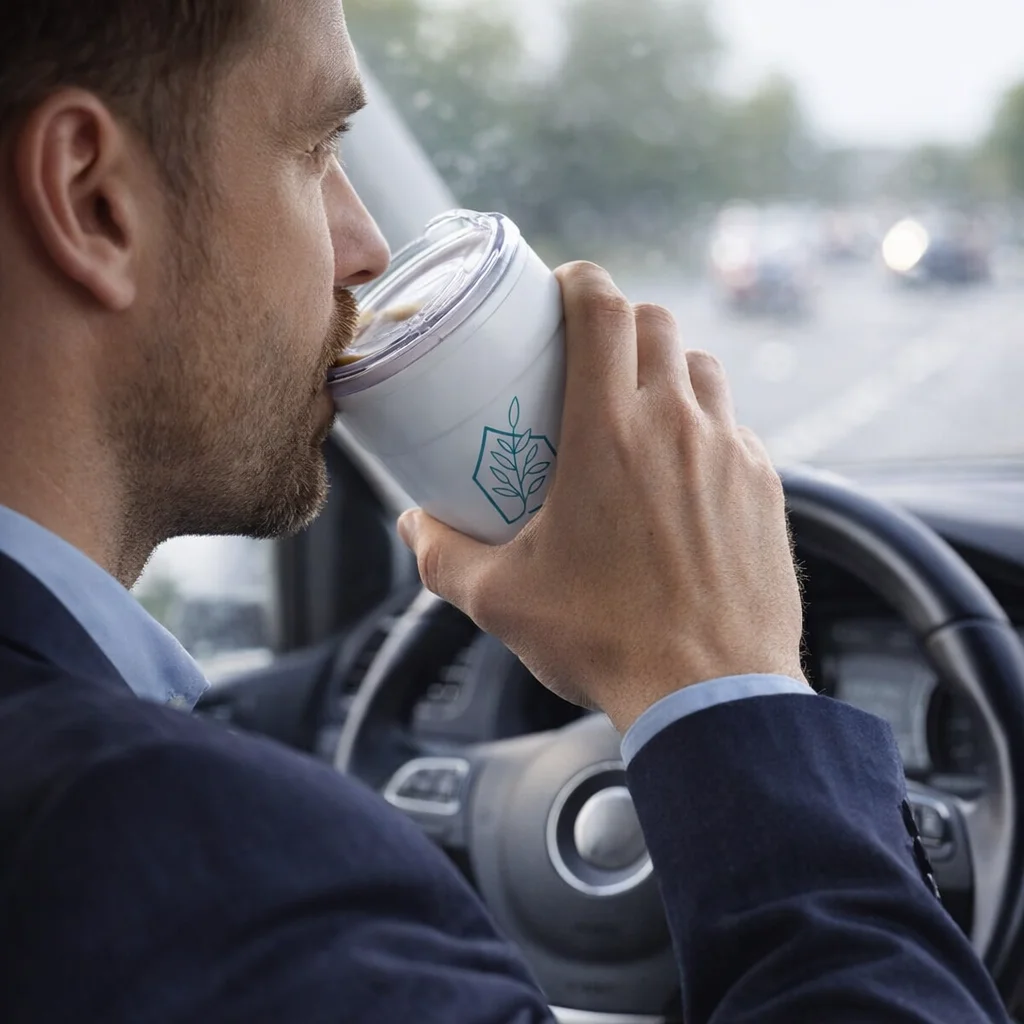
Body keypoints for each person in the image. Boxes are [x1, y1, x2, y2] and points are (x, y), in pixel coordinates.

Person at [0, 1, 1010, 1022]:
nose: (365, 248)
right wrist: (724, 679)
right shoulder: (189, 862)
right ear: (93, 200)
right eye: (312, 151)